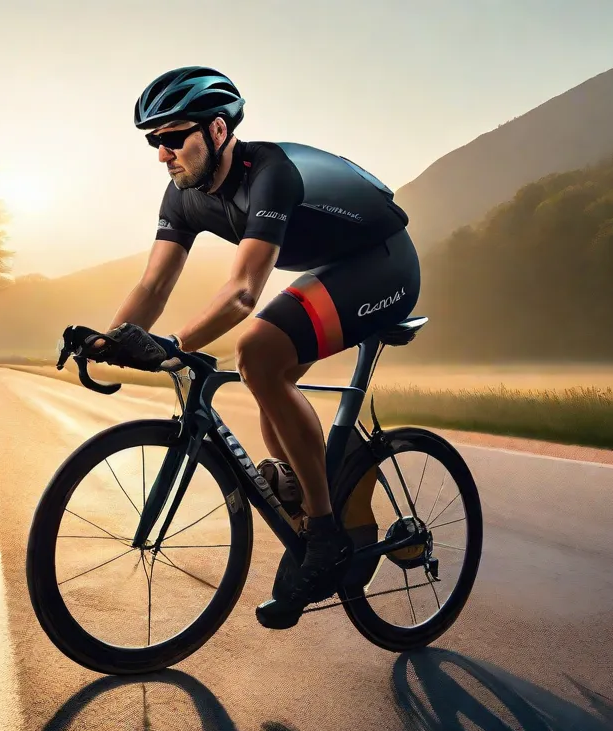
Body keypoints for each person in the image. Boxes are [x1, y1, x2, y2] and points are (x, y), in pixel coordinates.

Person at [95, 66, 421, 630]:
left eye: (173, 137)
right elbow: (152, 287)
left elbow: (244, 291)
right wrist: (111, 340)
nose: (161, 153)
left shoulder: (270, 174)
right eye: (153, 141)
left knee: (257, 351)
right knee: (263, 368)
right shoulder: (183, 196)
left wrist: (173, 345)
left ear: (218, 131)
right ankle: (312, 487)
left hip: (382, 263)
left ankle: (322, 533)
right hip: (334, 268)